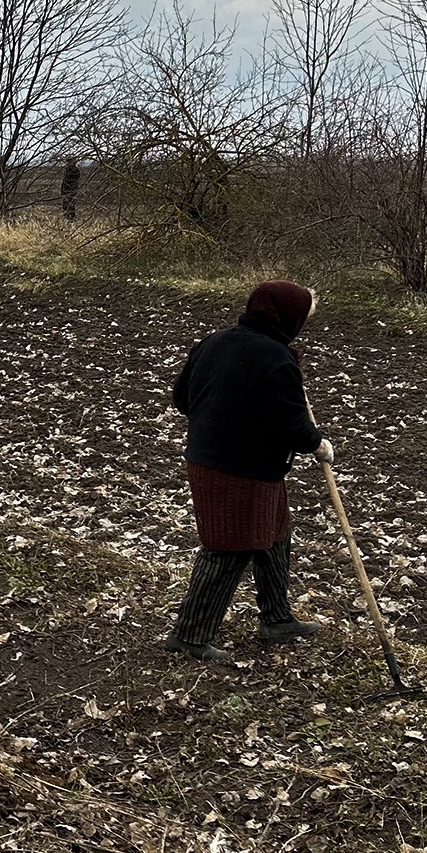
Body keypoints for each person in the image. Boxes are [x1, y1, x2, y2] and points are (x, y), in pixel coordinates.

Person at [165, 280, 333, 662]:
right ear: (286, 316)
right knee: (228, 547)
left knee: (274, 535)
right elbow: (289, 422)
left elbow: (181, 396)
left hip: (239, 464)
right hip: (235, 468)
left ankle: (276, 619)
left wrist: (216, 420)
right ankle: (189, 634)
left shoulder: (215, 341)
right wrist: (317, 445)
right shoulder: (275, 358)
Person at [60, 156, 82, 222]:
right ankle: (68, 217)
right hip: (67, 189)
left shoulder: (75, 170)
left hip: (71, 189)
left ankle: (71, 218)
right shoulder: (68, 169)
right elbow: (65, 180)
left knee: (70, 204)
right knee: (66, 204)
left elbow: (69, 180)